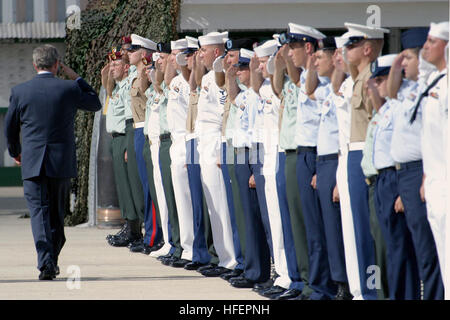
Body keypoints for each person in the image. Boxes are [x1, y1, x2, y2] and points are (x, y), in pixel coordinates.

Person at [5, 44, 102, 280]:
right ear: (57, 65)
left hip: (32, 161)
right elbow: (95, 103)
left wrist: (16, 152)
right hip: (60, 162)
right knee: (57, 215)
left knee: (39, 213)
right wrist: (76, 77)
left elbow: (10, 127)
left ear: (34, 65)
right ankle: (51, 260)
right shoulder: (68, 88)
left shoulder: (20, 91)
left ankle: (46, 262)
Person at [388, 27, 444, 300]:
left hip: (422, 172)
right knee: (420, 247)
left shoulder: (435, 87)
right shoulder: (415, 89)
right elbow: (391, 92)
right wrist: (397, 67)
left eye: (407, 58)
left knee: (428, 250)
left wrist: (423, 176)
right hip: (408, 174)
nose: (402, 64)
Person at [366, 54, 421, 300]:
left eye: (380, 79)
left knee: (401, 248)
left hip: (396, 178)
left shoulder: (403, 103)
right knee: (390, 247)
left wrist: (401, 190)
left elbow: (405, 147)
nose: (375, 84)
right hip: (381, 181)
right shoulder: (387, 107)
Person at [343, 22, 390, 299]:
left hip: (366, 155)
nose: (347, 50)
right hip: (354, 153)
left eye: (352, 45)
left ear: (368, 49)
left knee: (369, 231)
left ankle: (373, 292)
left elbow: (379, 123)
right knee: (359, 230)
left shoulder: (372, 80)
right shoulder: (358, 79)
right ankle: (365, 291)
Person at [308, 36, 352, 300]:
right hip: (322, 162)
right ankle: (335, 281)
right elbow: (309, 90)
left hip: (337, 162)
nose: (314, 62)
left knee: (337, 229)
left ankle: (345, 284)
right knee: (326, 229)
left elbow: (342, 137)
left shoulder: (344, 87)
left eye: (319, 58)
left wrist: (335, 175)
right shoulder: (326, 89)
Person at [196, 31, 239, 277]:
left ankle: (232, 258)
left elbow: (225, 114)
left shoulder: (222, 76)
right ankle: (224, 257)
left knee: (222, 204)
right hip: (205, 142)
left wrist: (222, 148)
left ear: (215, 52)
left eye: (203, 50)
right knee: (214, 205)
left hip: (216, 144)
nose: (200, 55)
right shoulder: (208, 77)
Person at [418, 21, 449, 298]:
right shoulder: (433, 81)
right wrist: (428, 177)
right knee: (442, 250)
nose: (426, 47)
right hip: (436, 181)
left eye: (432, 41)